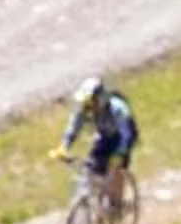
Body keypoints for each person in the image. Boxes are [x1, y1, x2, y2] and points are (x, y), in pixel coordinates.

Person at [56, 75, 138, 209]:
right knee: (93, 167)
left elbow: (126, 134)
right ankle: (98, 204)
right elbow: (74, 126)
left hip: (124, 137)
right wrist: (64, 146)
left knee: (116, 167)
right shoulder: (86, 109)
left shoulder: (117, 109)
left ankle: (117, 204)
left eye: (90, 103)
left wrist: (120, 154)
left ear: (100, 99)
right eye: (86, 103)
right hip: (105, 135)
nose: (88, 108)